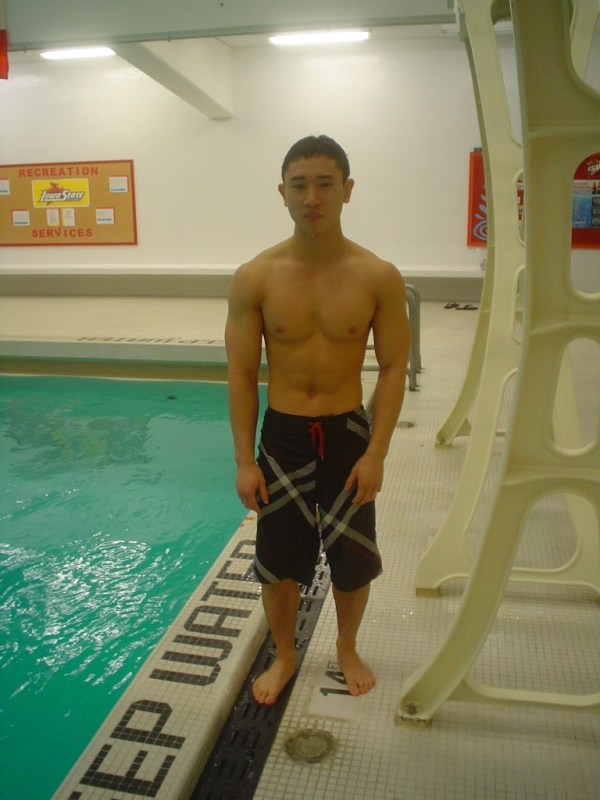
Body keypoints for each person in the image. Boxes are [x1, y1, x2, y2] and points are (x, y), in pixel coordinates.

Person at [225, 135, 410, 705]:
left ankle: (347, 647)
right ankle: (284, 653)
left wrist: (377, 452)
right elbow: (240, 374)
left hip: (346, 433)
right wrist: (244, 460)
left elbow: (394, 368)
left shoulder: (377, 275)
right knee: (278, 560)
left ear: (347, 190)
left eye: (325, 184)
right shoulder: (255, 276)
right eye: (299, 185)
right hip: (282, 436)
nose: (312, 198)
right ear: (282, 192)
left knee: (353, 557)